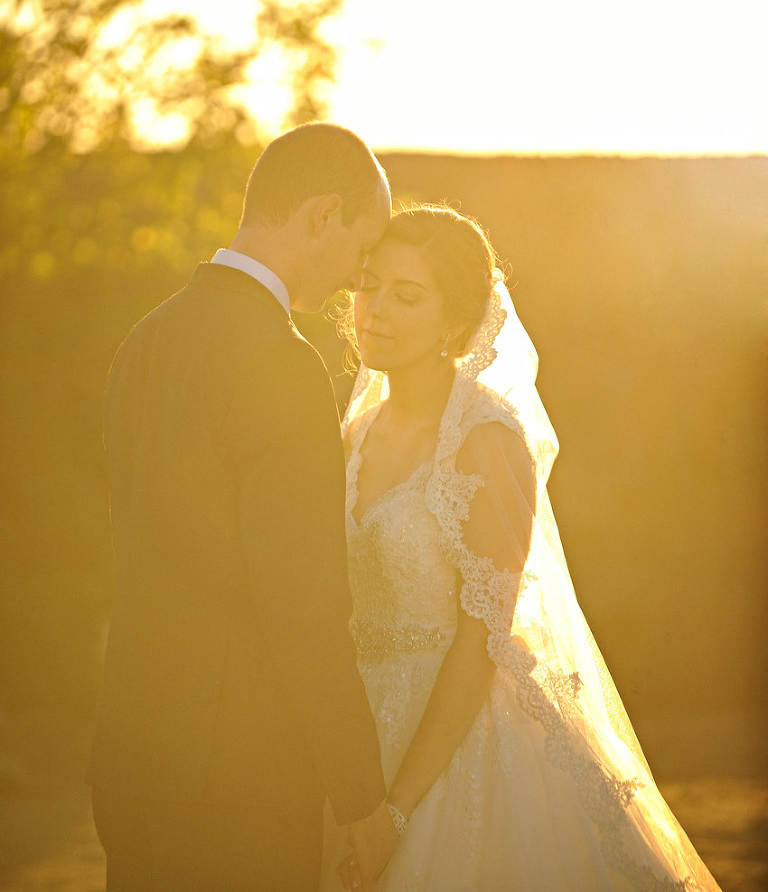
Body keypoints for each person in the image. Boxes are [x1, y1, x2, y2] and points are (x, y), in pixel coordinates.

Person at [322, 204, 722, 892]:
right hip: (356, 735)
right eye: (369, 283)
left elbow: (483, 637)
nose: (374, 308)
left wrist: (395, 808)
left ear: (455, 322)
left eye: (406, 294)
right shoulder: (356, 429)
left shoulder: (488, 438)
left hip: (462, 739)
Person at [87, 123, 399, 892]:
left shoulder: (144, 339)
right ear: (323, 215)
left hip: (130, 756)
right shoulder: (281, 364)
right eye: (363, 251)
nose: (360, 280)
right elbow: (303, 603)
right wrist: (361, 797)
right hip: (240, 780)